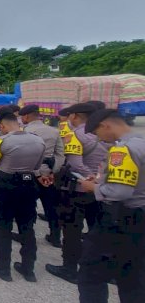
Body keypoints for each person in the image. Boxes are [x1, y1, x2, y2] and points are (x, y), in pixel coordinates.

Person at [76, 109, 145, 303]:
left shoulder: (122, 150)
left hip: (122, 217)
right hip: (139, 219)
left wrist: (93, 188)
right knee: (133, 277)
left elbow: (119, 192)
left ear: (106, 125)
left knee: (90, 272)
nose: (98, 139)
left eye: (97, 133)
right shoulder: (141, 142)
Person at [46, 102, 108, 285]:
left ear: (75, 116)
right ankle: (105, 270)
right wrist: (99, 179)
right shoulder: (107, 135)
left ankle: (69, 268)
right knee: (99, 229)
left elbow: (75, 165)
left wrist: (88, 179)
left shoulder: (76, 136)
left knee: (72, 230)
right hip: (100, 189)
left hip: (77, 190)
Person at [0, 110, 47, 282]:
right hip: (29, 183)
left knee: (4, 227)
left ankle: (3, 268)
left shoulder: (1, 141)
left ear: (2, 126)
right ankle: (28, 269)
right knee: (27, 226)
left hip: (6, 184)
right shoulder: (38, 141)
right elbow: (38, 165)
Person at [20, 104, 65, 248]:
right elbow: (60, 154)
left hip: (30, 175)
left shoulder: (25, 131)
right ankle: (55, 236)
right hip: (49, 175)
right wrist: (52, 172)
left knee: (27, 205)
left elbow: (25, 156)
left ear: (26, 116)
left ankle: (26, 235)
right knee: (51, 206)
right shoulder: (54, 131)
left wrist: (38, 174)